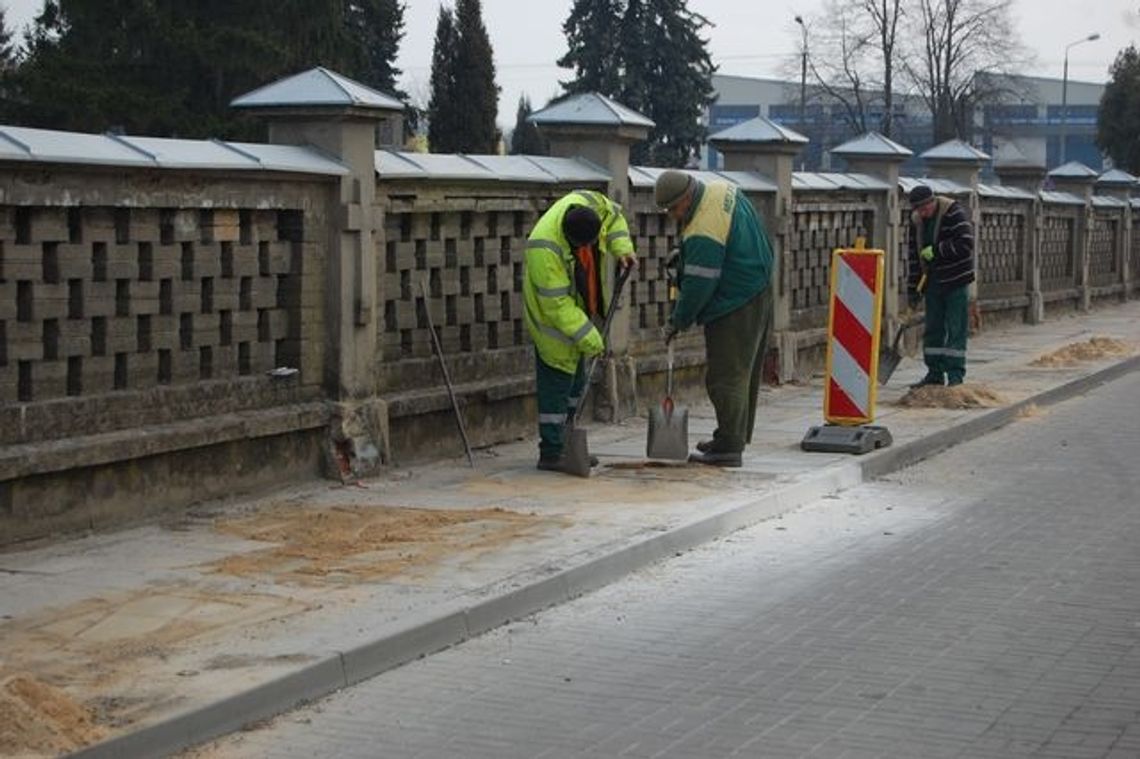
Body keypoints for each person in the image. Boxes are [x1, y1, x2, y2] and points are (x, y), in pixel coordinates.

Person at [654, 170, 774, 468]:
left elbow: (699, 285)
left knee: (725, 376)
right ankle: (730, 437)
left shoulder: (703, 231)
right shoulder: (722, 189)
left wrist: (676, 322)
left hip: (734, 301)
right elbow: (728, 238)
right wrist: (684, 254)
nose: (672, 216)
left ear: (685, 198)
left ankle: (729, 448)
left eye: (673, 209)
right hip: (759, 286)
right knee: (743, 372)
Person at [523, 190, 638, 472]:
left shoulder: (590, 204)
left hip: (578, 311)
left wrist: (622, 249)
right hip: (551, 325)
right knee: (557, 388)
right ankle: (551, 451)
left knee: (576, 385)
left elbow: (615, 218)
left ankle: (569, 444)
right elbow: (557, 306)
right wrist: (591, 337)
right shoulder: (544, 248)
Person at [906, 184, 975, 387]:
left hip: (956, 281)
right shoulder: (916, 222)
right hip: (933, 283)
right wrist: (912, 289)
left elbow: (966, 244)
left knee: (956, 329)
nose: (923, 213)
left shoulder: (953, 212)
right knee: (933, 329)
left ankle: (955, 376)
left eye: (925, 209)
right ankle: (934, 374)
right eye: (918, 210)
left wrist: (937, 251)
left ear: (933, 202)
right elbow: (914, 257)